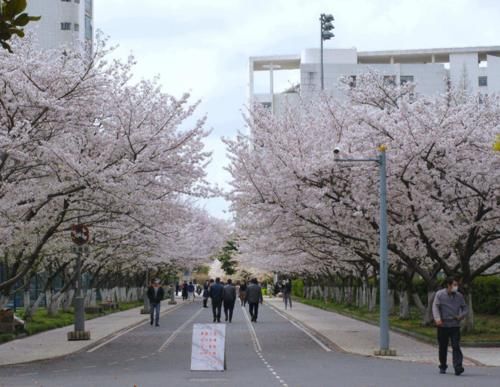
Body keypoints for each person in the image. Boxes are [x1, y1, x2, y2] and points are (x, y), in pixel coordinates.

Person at [432, 277, 468, 376]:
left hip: (455, 325)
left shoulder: (459, 296)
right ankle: (443, 365)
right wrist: (437, 318)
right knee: (443, 347)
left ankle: (458, 367)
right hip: (443, 325)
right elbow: (435, 307)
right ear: (448, 285)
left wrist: (460, 316)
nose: (456, 287)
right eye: (454, 285)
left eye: (457, 285)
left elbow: (465, 308)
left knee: (456, 345)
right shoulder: (439, 294)